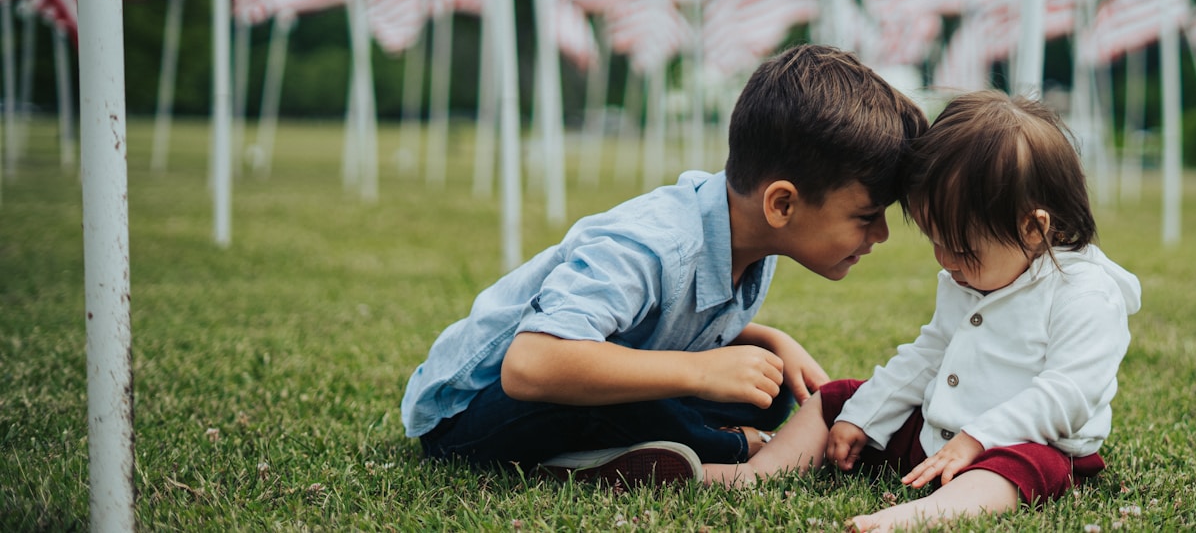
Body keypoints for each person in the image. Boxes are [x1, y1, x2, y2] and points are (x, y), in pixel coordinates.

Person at [399, 44, 929, 486]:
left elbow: (662, 318)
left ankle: (608, 455)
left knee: (765, 397)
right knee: (655, 399)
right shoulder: (652, 245)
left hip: (586, 376)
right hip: (472, 416)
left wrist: (768, 340)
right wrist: (700, 371)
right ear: (782, 204)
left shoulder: (747, 232)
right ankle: (729, 452)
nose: (879, 235)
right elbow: (530, 364)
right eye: (866, 216)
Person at [704, 90, 1142, 531]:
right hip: (937, 433)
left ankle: (922, 515)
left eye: (962, 249)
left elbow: (1067, 395)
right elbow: (928, 355)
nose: (946, 262)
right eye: (935, 241)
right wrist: (863, 416)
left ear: (1034, 228)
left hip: (1022, 446)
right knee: (838, 398)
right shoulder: (969, 276)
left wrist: (978, 439)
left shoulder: (1084, 293)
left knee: (1021, 467)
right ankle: (757, 474)